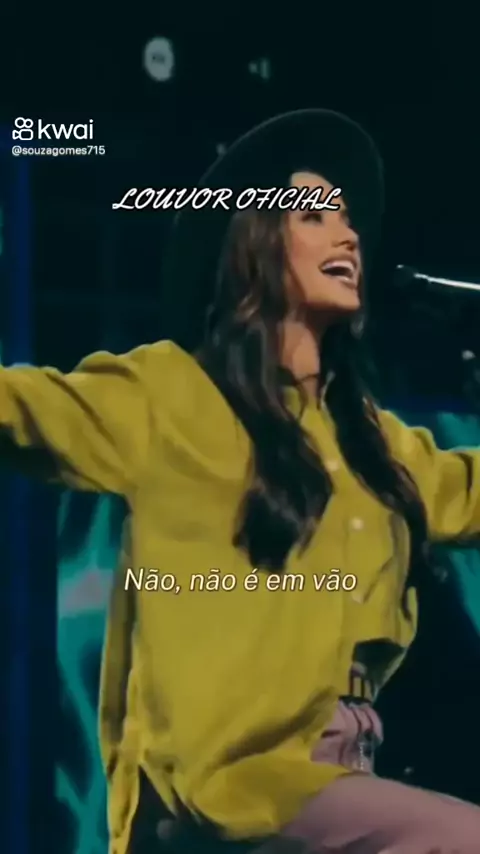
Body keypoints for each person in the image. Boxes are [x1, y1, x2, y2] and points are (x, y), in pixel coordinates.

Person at [2, 109, 480, 854]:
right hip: (230, 785)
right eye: (315, 216)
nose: (347, 236)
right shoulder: (173, 396)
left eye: (348, 220)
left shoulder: (376, 445)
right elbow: (22, 408)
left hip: (345, 777)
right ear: (255, 243)